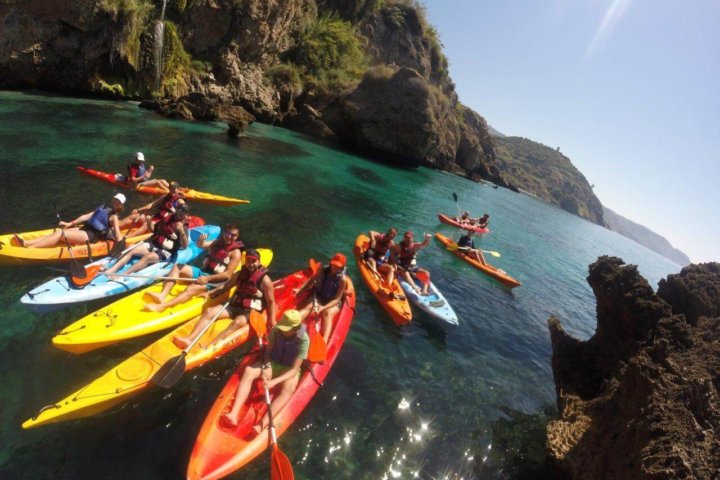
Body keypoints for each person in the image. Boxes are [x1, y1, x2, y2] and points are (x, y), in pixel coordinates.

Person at [220, 309, 309, 431]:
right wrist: (267, 366)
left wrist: (274, 381)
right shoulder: (277, 330)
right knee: (248, 371)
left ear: (295, 328)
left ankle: (261, 425)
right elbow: (267, 352)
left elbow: (294, 370)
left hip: (288, 369)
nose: (282, 330)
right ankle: (233, 414)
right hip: (273, 362)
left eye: (286, 329)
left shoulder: (304, 340)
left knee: (288, 389)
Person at [171, 248, 276, 350]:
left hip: (250, 311)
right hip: (235, 306)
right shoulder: (239, 274)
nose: (250, 264)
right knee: (209, 312)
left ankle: (211, 345)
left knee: (238, 321)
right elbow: (225, 287)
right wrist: (209, 293)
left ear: (259, 262)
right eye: (248, 261)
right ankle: (189, 339)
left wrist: (271, 320)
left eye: (253, 261)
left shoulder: (265, 280)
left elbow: (271, 302)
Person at [143, 224, 245, 312]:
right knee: (178, 266)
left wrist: (207, 279)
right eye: (228, 233)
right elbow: (201, 245)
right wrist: (201, 240)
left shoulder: (235, 253)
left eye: (233, 235)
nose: (229, 236)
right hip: (203, 272)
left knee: (190, 289)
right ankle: (162, 295)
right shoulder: (216, 242)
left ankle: (163, 307)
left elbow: (227, 275)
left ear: (237, 237)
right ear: (224, 232)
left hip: (215, 281)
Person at [103, 203, 190, 277]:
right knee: (131, 249)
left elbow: (185, 246)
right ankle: (112, 270)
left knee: (147, 257)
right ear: (176, 209)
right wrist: (149, 223)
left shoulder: (183, 226)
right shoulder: (168, 217)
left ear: (185, 214)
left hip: (166, 251)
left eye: (183, 211)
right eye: (179, 209)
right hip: (154, 243)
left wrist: (181, 231)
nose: (180, 212)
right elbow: (153, 230)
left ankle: (124, 274)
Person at [17, 193, 127, 248]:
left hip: (90, 236)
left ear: (120, 206)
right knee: (57, 232)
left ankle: (31, 248)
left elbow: (117, 234)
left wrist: (121, 245)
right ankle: (26, 243)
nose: (115, 202)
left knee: (61, 233)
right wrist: (70, 223)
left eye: (118, 202)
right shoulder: (103, 208)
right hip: (85, 229)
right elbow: (85, 217)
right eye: (115, 199)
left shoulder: (114, 217)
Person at [294, 253, 348, 343]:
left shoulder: (342, 279)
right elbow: (311, 279)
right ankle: (292, 323)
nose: (334, 267)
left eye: (337, 266)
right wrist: (300, 290)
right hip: (319, 295)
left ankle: (324, 340)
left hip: (332, 301)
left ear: (342, 267)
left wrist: (323, 308)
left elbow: (337, 299)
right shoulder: (323, 270)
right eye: (333, 264)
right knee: (310, 307)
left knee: (327, 313)